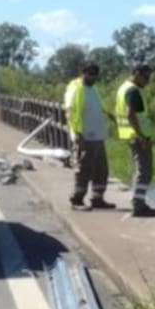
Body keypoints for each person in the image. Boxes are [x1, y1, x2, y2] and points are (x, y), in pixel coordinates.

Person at [63, 62, 114, 209]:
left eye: (95, 74)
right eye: (90, 74)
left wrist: (109, 114)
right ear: (83, 73)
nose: (93, 77)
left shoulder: (93, 89)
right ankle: (77, 199)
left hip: (98, 135)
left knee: (101, 169)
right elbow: (71, 112)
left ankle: (97, 198)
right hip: (84, 136)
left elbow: (98, 106)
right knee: (83, 168)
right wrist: (78, 135)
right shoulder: (76, 89)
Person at [115, 63, 155, 217]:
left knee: (141, 170)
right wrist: (141, 136)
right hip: (138, 138)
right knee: (144, 172)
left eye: (149, 76)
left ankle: (139, 203)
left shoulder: (125, 87)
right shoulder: (132, 90)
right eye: (145, 76)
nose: (148, 80)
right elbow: (130, 115)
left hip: (133, 136)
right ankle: (138, 206)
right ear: (136, 73)